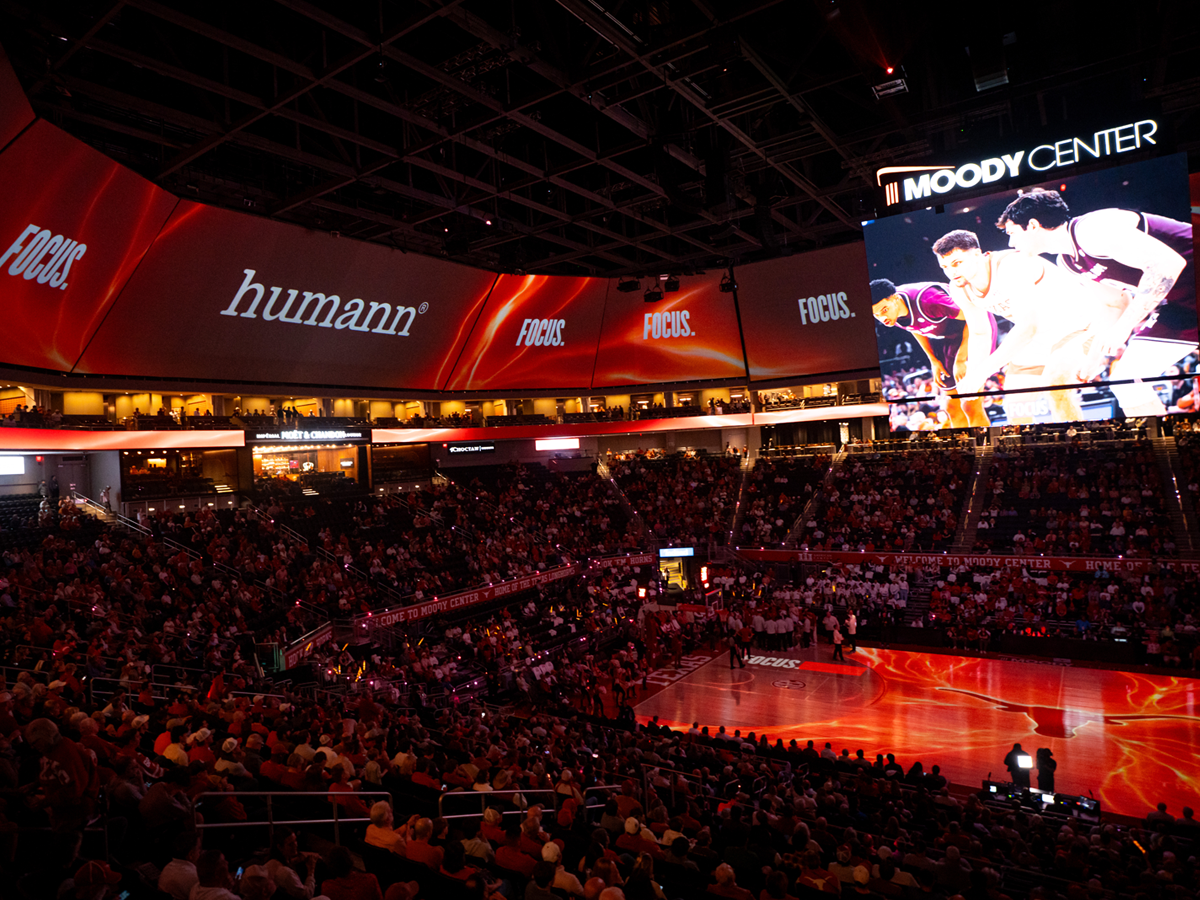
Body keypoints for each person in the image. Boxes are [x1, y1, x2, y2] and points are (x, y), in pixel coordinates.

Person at [997, 186, 1195, 414]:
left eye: (1012, 233)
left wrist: (1124, 326)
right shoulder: (1067, 262)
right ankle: (1161, 447)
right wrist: (1093, 360)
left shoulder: (1091, 230)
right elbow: (1113, 305)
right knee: (1126, 382)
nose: (1011, 244)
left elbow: (1168, 264)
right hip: (1180, 306)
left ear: (1032, 226)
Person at [934, 229, 1128, 423]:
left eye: (957, 263)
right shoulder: (959, 287)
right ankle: (1025, 452)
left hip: (1079, 323)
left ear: (976, 254)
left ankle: (1077, 445)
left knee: (1056, 385)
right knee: (1016, 408)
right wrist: (973, 379)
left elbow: (1028, 327)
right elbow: (980, 332)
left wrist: (982, 373)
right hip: (1040, 335)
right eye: (945, 267)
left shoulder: (1011, 265)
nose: (952, 272)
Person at [871, 278, 995, 427]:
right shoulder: (892, 312)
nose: (882, 318)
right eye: (876, 315)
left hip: (976, 329)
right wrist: (933, 360)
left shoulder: (929, 300)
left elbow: (973, 317)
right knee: (952, 407)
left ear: (896, 299)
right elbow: (914, 327)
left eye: (884, 310)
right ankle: (964, 448)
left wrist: (961, 359)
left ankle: (987, 448)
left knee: (970, 405)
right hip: (949, 337)